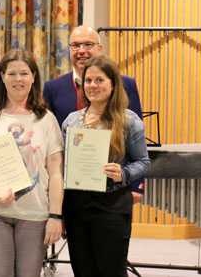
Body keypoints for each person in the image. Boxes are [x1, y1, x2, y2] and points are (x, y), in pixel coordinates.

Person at [0, 49, 64, 277]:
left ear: (33, 77)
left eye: (23, 73)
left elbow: (57, 173)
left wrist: (55, 216)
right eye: (11, 74)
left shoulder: (47, 119)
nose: (18, 79)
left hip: (35, 215)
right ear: (2, 77)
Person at [62, 55, 150, 277]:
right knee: (82, 270)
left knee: (111, 271)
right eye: (88, 80)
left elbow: (143, 161)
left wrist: (124, 173)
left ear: (113, 84)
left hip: (111, 207)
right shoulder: (71, 121)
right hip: (76, 207)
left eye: (100, 80)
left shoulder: (129, 121)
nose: (93, 85)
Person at [43, 25, 145, 203]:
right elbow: (51, 138)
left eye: (88, 44)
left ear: (99, 48)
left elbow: (136, 143)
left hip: (113, 191)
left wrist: (135, 183)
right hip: (71, 190)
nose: (81, 51)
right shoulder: (52, 87)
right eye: (75, 45)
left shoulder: (126, 84)